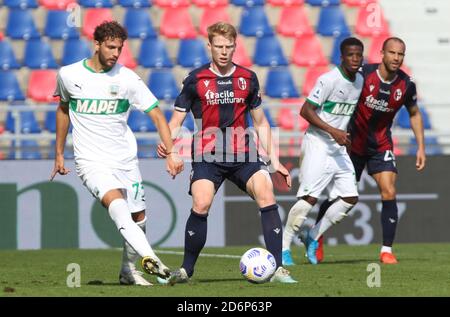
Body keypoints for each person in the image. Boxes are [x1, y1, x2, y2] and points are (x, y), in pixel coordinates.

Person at [157, 22, 296, 284]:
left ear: (235, 46)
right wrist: (169, 150)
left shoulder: (248, 78)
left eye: (228, 46)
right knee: (201, 202)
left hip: (243, 153)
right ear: (209, 46)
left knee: (266, 193)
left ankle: (277, 269)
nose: (223, 51)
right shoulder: (195, 80)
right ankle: (186, 270)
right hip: (208, 156)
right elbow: (174, 124)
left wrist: (274, 161)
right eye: (218, 46)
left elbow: (261, 123)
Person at [50, 21, 184, 286]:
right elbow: (63, 110)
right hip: (90, 161)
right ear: (96, 44)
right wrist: (59, 153)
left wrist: (171, 152)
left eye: (119, 48)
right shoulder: (69, 75)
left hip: (124, 159)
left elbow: (157, 115)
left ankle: (127, 271)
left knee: (139, 217)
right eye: (110, 47)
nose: (114, 53)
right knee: (117, 205)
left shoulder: (127, 79)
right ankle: (152, 259)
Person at [313, 37, 426, 264]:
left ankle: (386, 251)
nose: (396, 58)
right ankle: (316, 237)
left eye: (400, 54)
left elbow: (414, 113)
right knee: (338, 196)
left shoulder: (406, 84)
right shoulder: (363, 74)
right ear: (382, 53)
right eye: (392, 53)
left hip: (380, 145)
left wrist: (420, 146)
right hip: (352, 145)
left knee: (389, 191)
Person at [281, 37, 365, 266]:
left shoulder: (359, 81)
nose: (355, 59)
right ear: (342, 57)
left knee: (350, 197)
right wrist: (333, 131)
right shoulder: (328, 80)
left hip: (337, 148)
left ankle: (313, 236)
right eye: (351, 55)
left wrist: (343, 135)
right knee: (309, 197)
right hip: (317, 143)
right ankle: (283, 247)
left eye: (359, 55)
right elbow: (305, 110)